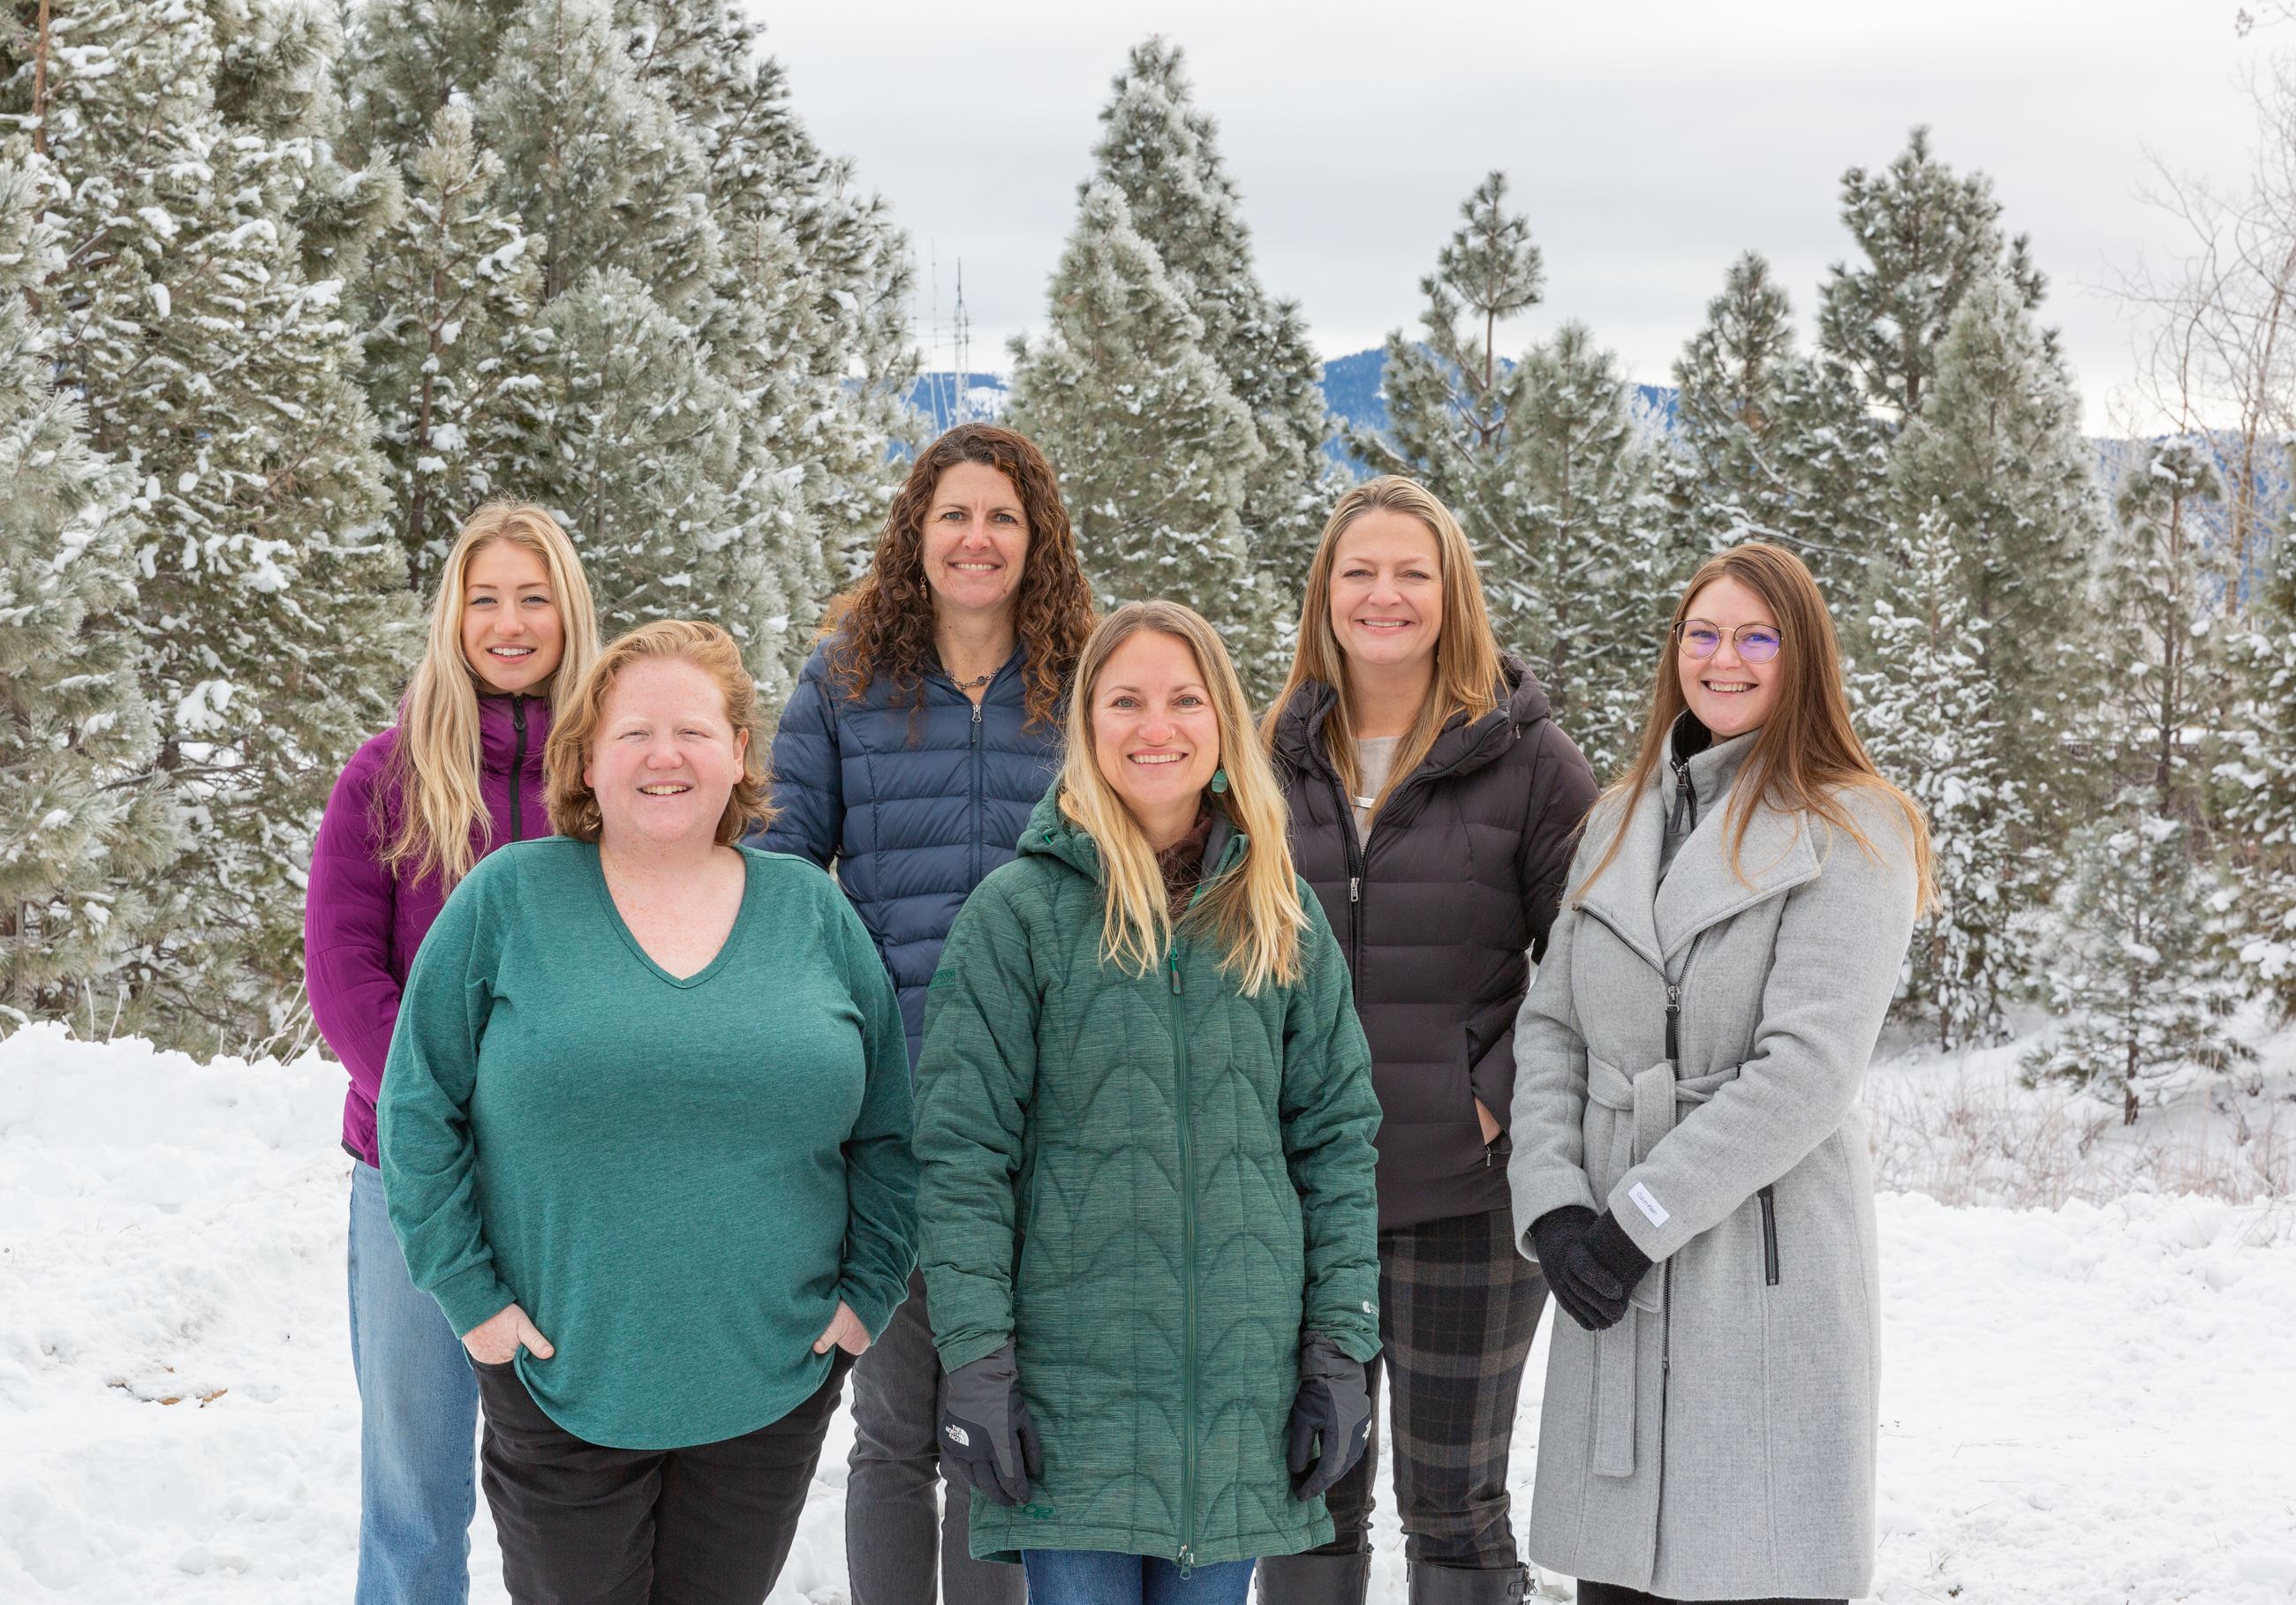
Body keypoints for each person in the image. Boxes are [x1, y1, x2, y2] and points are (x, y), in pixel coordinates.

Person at [379, 620, 918, 1605]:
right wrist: (472, 1299)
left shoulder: (810, 910)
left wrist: (865, 1295)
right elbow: (418, 1108)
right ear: (587, 759)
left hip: (770, 1382)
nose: (664, 756)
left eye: (692, 732)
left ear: (738, 753)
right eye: (633, 734)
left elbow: (888, 1130)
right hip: (560, 1378)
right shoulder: (510, 900)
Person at [913, 599, 1385, 1605]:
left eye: (1184, 700)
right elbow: (962, 1152)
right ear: (1087, 725)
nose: (1154, 726)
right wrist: (977, 1357)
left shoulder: (1281, 916)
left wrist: (1341, 1347)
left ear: (1222, 724)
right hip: (1070, 1400)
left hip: (1240, 1397)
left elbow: (1337, 1142)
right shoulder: (1018, 914)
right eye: (1125, 701)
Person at [1507, 543, 1932, 1605]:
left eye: (1755, 637)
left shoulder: (1851, 826)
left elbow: (1805, 1074)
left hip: (1757, 1257)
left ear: (1802, 657)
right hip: (1603, 1246)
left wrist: (1635, 1221)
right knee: (1616, 1576)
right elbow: (1551, 1026)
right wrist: (1553, 1204)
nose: (1722, 658)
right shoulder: (1616, 821)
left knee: (1756, 1560)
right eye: (1701, 633)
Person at [763, 422, 1095, 1605]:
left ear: (1037, 538)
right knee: (897, 1428)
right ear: (917, 531)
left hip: (1051, 1109)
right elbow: (784, 875)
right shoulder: (845, 680)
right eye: (954, 513)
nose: (976, 537)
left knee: (998, 1421)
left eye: (1003, 516)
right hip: (895, 1106)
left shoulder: (1086, 679)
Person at [1257, 476, 1597, 1605]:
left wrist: (1485, 1100)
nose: (1384, 594)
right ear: (1324, 593)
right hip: (1298, 1204)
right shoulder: (1264, 757)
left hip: (1467, 1200)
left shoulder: (1530, 761)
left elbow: (1591, 966)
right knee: (1306, 1490)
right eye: (1358, 571)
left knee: (1454, 1508)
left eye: (1412, 572)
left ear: (1452, 594)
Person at [306, 501, 600, 1605]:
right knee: (415, 1494)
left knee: (577, 1486)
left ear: (568, 615)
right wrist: (445, 1113)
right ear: (453, 616)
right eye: (485, 599)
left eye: (532, 598)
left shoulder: (609, 778)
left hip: (573, 1185)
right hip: (413, 1176)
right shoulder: (388, 774)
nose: (508, 623)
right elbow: (344, 976)